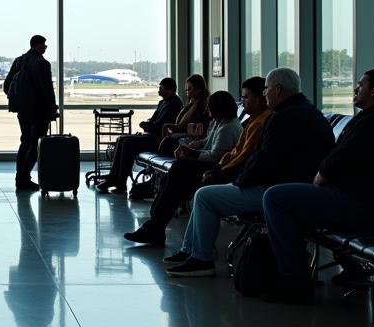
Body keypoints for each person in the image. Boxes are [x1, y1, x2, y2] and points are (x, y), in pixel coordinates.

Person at [261, 69, 374, 303]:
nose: (355, 89)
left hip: (365, 206)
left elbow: (339, 158)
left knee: (275, 198)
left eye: (360, 85)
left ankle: (295, 280)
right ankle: (350, 268)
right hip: (373, 202)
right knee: (295, 197)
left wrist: (321, 176)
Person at [165, 67, 335, 277]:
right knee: (206, 192)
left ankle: (201, 258)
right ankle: (191, 251)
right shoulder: (308, 113)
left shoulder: (281, 118)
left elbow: (264, 160)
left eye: (267, 90)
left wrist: (239, 181)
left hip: (276, 191)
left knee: (204, 196)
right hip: (295, 187)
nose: (265, 94)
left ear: (278, 90)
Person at [125, 90, 243, 245]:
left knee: (178, 171)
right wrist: (193, 146)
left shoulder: (228, 128)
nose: (207, 111)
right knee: (174, 174)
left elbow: (215, 156)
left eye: (210, 107)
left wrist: (192, 153)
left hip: (215, 167)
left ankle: (154, 226)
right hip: (212, 163)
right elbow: (209, 141)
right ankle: (155, 224)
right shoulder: (221, 123)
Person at [94, 78, 183, 193]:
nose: (158, 91)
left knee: (127, 143)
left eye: (161, 88)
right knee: (121, 138)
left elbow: (160, 125)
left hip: (158, 139)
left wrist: (146, 125)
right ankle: (114, 177)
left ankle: (119, 181)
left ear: (169, 90)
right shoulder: (163, 103)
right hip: (151, 136)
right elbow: (154, 121)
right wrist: (147, 125)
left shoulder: (174, 104)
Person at [4, 34, 59, 192]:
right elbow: (47, 89)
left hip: (22, 109)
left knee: (25, 141)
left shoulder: (18, 61)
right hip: (39, 110)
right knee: (35, 145)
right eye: (44, 44)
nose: (46, 47)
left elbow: (7, 85)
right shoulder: (42, 63)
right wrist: (51, 110)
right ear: (37, 45)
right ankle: (24, 177)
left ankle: (19, 176)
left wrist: (18, 100)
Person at [196, 77, 271, 186]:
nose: (242, 101)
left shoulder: (258, 123)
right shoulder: (252, 120)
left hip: (240, 173)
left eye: (246, 97)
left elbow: (243, 156)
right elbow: (237, 151)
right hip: (231, 166)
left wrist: (219, 171)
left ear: (260, 99)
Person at [153, 73, 211, 158]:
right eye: (186, 89)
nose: (186, 92)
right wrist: (190, 105)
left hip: (196, 136)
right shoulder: (191, 103)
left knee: (168, 141)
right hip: (187, 133)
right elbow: (179, 121)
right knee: (167, 140)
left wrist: (194, 105)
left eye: (189, 89)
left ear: (198, 89)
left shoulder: (203, 106)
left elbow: (182, 126)